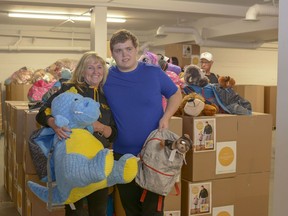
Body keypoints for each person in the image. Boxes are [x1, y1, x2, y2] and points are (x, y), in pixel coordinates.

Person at [103, 29, 182, 216]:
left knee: (152, 212)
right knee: (131, 210)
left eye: (128, 49)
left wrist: (166, 116)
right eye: (118, 50)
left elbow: (176, 94)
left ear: (136, 49)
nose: (125, 54)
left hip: (155, 154)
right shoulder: (106, 78)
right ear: (112, 53)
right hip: (123, 156)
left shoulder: (153, 73)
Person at [35, 51, 117, 216]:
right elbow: (42, 113)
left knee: (99, 210)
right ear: (82, 70)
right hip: (72, 160)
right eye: (90, 67)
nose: (96, 71)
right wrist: (55, 125)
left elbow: (113, 133)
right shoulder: (69, 88)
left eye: (99, 67)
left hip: (98, 161)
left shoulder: (108, 95)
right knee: (75, 211)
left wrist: (99, 127)